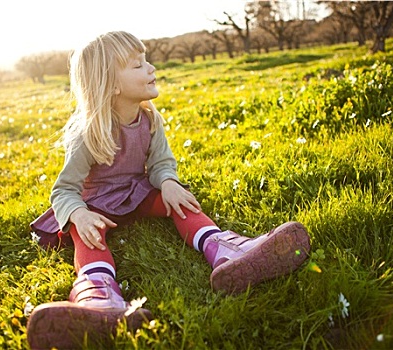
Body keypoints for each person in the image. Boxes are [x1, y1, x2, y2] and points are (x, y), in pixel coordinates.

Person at [26, 31, 311, 349]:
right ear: (112, 85)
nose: (150, 69)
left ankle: (227, 251)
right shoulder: (87, 132)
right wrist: (78, 214)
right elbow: (64, 190)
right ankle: (97, 295)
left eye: (146, 60)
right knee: (87, 233)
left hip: (136, 193)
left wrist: (170, 183)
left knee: (181, 203)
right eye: (137, 65)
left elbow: (161, 163)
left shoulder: (149, 119)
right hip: (97, 204)